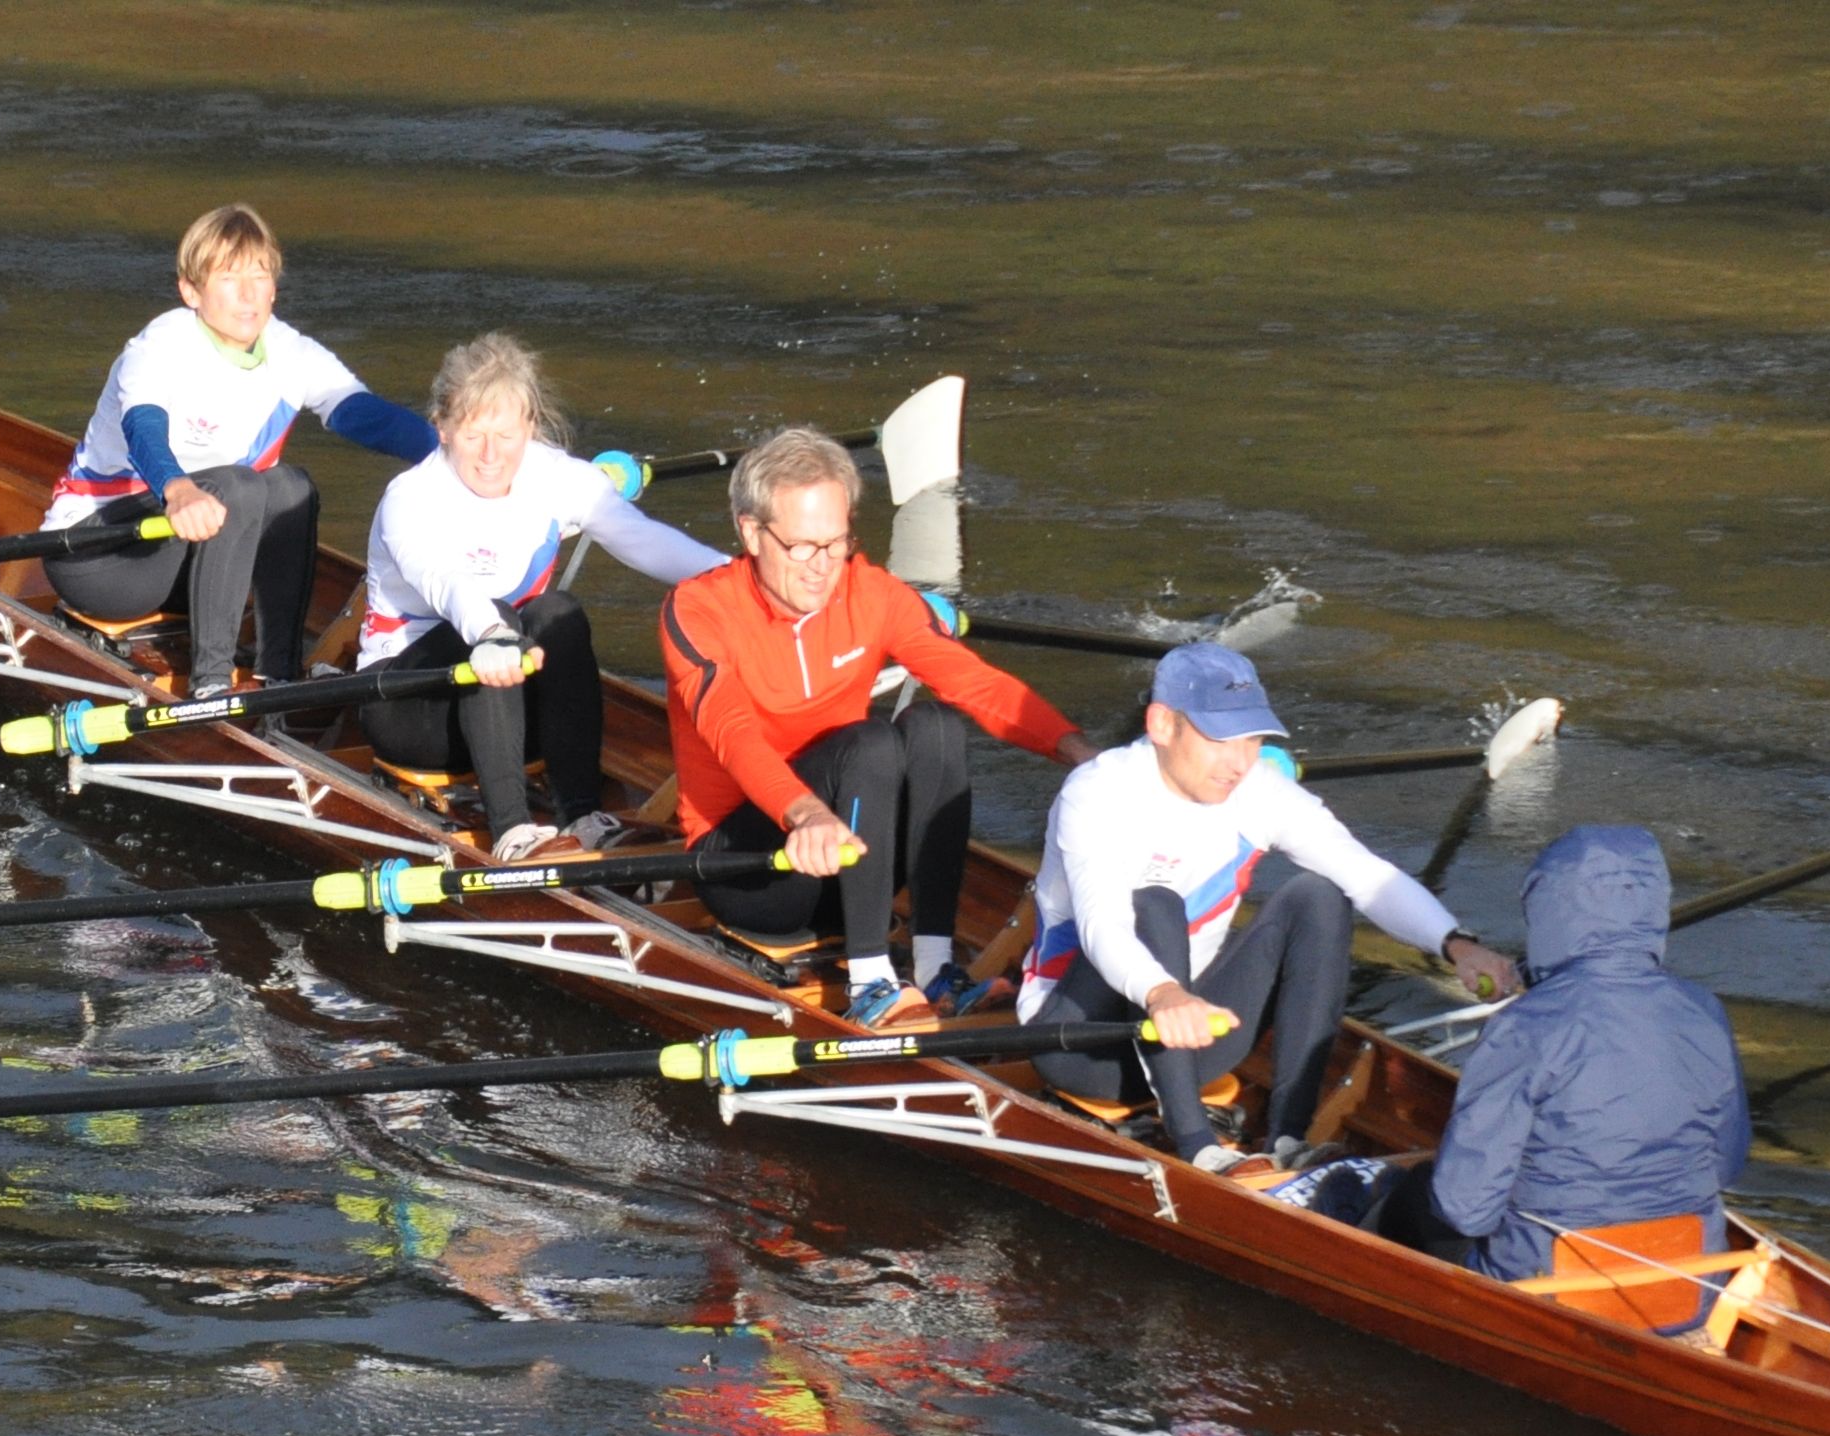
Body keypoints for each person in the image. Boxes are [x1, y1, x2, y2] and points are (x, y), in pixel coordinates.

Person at [1017, 641, 1519, 1181]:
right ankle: (1198, 1147)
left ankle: (1288, 1139)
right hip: (1082, 1046)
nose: (1239, 762)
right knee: (1155, 904)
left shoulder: (1260, 791)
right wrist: (1163, 995)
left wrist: (1456, 945)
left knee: (1319, 895)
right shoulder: (1099, 792)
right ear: (1162, 724)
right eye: (1219, 739)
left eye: (1253, 738)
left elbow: (1365, 873)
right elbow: (1103, 925)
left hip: (1198, 1041)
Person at [660, 427, 1092, 1030]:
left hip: (854, 860)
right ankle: (870, 981)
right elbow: (731, 731)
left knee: (936, 723)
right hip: (753, 875)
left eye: (836, 543)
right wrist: (804, 814)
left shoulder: (872, 593)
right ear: (752, 533)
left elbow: (974, 682)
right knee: (870, 741)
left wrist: (1083, 753)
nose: (823, 567)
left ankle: (936, 967)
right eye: (802, 547)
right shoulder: (698, 609)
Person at [357, 332, 725, 860]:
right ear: (442, 427)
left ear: (529, 426)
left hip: (513, 712)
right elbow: (446, 581)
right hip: (409, 711)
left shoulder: (557, 476)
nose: (491, 455)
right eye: (473, 434)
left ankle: (582, 815)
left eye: (506, 435)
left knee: (559, 613)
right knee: (501, 618)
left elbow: (644, 540)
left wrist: (745, 577)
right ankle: (512, 830)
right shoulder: (411, 497)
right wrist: (491, 633)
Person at [39, 204, 436, 690]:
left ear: (274, 288)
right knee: (239, 486)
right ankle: (211, 683)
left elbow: (364, 415)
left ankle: (278, 674)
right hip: (100, 558)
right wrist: (178, 489)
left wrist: (458, 452)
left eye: (260, 275)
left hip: (193, 555)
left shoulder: (292, 352)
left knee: (292, 486)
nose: (248, 294)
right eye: (229, 277)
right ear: (191, 291)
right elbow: (143, 427)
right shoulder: (160, 345)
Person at [1384, 824, 1750, 1283]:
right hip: (1690, 1280)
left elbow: (1466, 1209)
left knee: (1410, 1194)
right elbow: (1726, 1167)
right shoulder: (1705, 1011)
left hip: (1549, 1280)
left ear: (1549, 911)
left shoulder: (1523, 1026)